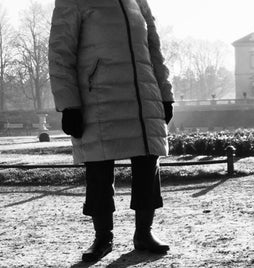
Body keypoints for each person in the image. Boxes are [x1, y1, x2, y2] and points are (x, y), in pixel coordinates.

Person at [49, 0, 174, 262]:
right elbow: (60, 53)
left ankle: (144, 232)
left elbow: (154, 49)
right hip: (99, 99)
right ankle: (102, 237)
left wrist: (165, 94)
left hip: (143, 98)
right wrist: (69, 104)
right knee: (99, 170)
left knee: (148, 164)